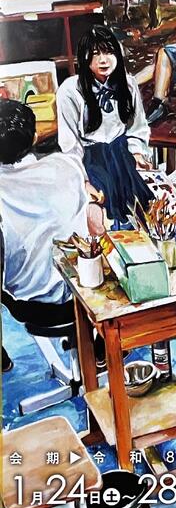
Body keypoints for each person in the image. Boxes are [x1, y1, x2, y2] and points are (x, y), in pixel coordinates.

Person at [0, 99, 105, 368]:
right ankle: (100, 342)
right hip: (85, 290)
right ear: (35, 137)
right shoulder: (67, 166)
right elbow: (95, 225)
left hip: (31, 305)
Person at [56, 25, 152, 225]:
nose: (103, 60)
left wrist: (137, 153)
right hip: (91, 159)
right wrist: (83, 180)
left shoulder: (128, 84)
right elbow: (70, 143)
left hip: (122, 154)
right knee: (98, 212)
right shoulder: (70, 91)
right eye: (95, 54)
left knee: (143, 212)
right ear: (84, 58)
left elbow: (137, 127)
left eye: (108, 52)